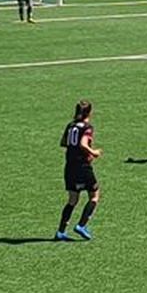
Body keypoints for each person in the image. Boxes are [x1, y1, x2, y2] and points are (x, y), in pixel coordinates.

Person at [56, 100, 101, 241]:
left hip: (70, 166)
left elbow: (63, 142)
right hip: (83, 166)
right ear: (89, 112)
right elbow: (82, 143)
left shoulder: (70, 126)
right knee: (94, 196)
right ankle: (81, 225)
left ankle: (60, 231)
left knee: (72, 200)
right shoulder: (87, 127)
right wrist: (93, 152)